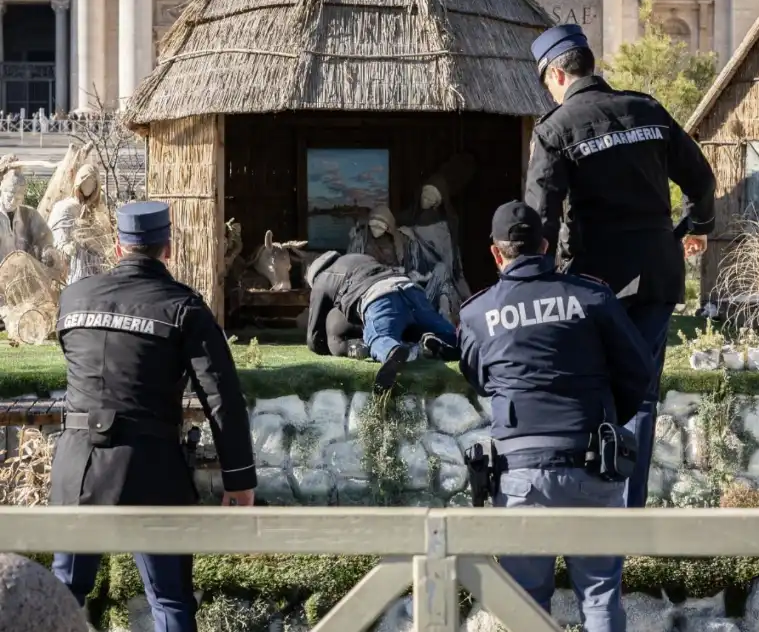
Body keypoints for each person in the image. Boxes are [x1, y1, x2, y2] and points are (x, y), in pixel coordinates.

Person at [526, 24, 717, 508]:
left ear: (555, 74)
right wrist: (694, 227)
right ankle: (628, 511)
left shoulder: (554, 130)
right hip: (657, 274)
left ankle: (593, 506)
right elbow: (701, 180)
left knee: (591, 386)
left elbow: (542, 221)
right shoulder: (647, 109)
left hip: (595, 280)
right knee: (642, 395)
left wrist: (533, 280)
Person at [49, 201, 257, 632]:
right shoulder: (184, 308)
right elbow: (223, 400)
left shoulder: (73, 298)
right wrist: (239, 480)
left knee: (60, 595)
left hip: (78, 467)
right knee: (170, 601)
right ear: (167, 246)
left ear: (120, 247)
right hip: (150, 468)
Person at [458, 201, 654, 632]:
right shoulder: (591, 296)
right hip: (592, 468)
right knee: (601, 594)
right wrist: (604, 422)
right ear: (545, 246)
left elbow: (479, 380)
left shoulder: (475, 314)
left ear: (496, 253)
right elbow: (638, 371)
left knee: (525, 604)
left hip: (519, 476)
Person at [305, 251, 458, 391]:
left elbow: (313, 338)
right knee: (443, 330)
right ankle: (442, 342)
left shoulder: (321, 281)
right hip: (410, 288)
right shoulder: (359, 257)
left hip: (379, 296)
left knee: (378, 336)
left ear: (313, 276)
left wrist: (334, 345)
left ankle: (392, 351)